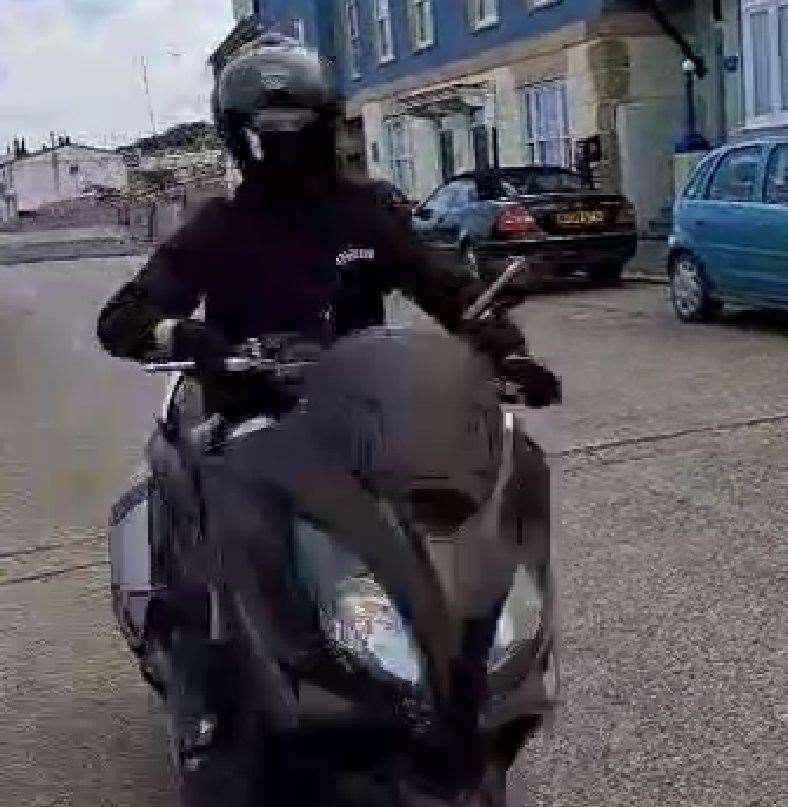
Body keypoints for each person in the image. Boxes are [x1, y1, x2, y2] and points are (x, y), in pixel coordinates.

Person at [97, 32, 559, 416]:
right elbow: (122, 319)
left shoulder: (365, 211)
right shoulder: (220, 226)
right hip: (253, 427)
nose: (288, 149)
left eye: (302, 129)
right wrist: (179, 335)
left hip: (361, 418)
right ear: (242, 139)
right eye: (269, 134)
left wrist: (507, 352)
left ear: (325, 129)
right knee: (243, 525)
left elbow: (443, 285)